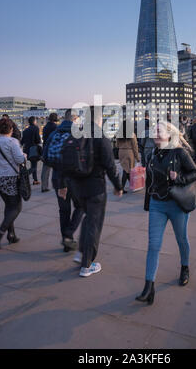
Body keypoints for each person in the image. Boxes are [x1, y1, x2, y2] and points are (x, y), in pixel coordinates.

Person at [136, 121, 196, 305]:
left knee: (181, 239)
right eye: (154, 130)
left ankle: (185, 267)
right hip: (157, 205)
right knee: (153, 245)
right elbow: (150, 182)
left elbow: (195, 173)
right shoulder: (152, 155)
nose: (155, 132)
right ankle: (149, 286)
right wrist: (148, 204)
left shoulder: (179, 152)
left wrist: (178, 178)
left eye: (158, 130)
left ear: (169, 134)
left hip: (176, 205)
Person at [57, 107, 123, 277]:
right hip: (95, 189)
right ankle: (87, 265)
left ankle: (81, 253)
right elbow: (110, 166)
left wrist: (63, 185)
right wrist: (118, 185)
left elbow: (64, 160)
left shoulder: (76, 134)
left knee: (87, 219)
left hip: (77, 187)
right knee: (94, 224)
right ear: (100, 119)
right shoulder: (101, 137)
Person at [43, 109, 84, 253]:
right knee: (81, 206)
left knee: (64, 210)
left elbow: (46, 157)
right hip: (74, 179)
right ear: (74, 119)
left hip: (57, 178)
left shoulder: (54, 133)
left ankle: (67, 243)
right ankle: (68, 234)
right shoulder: (77, 133)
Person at [0, 117, 26, 248]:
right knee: (16, 207)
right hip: (10, 178)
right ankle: (0, 232)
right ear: (11, 129)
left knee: (8, 206)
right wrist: (25, 156)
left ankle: (12, 235)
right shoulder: (12, 141)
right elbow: (20, 159)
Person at [116, 120, 140, 193]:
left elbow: (117, 145)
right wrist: (137, 157)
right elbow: (135, 147)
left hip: (121, 152)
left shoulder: (119, 134)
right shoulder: (132, 134)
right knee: (127, 170)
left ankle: (133, 185)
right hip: (129, 152)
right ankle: (121, 188)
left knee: (127, 170)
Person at [41, 112, 58, 192]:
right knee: (56, 169)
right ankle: (55, 185)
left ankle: (44, 186)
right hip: (53, 149)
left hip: (45, 148)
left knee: (45, 169)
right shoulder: (55, 127)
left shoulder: (45, 127)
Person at [21, 116, 41, 185]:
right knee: (34, 166)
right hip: (34, 150)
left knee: (33, 165)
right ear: (34, 121)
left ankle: (35, 180)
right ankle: (25, 175)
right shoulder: (36, 128)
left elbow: (22, 141)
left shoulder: (25, 130)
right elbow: (38, 140)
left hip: (27, 150)